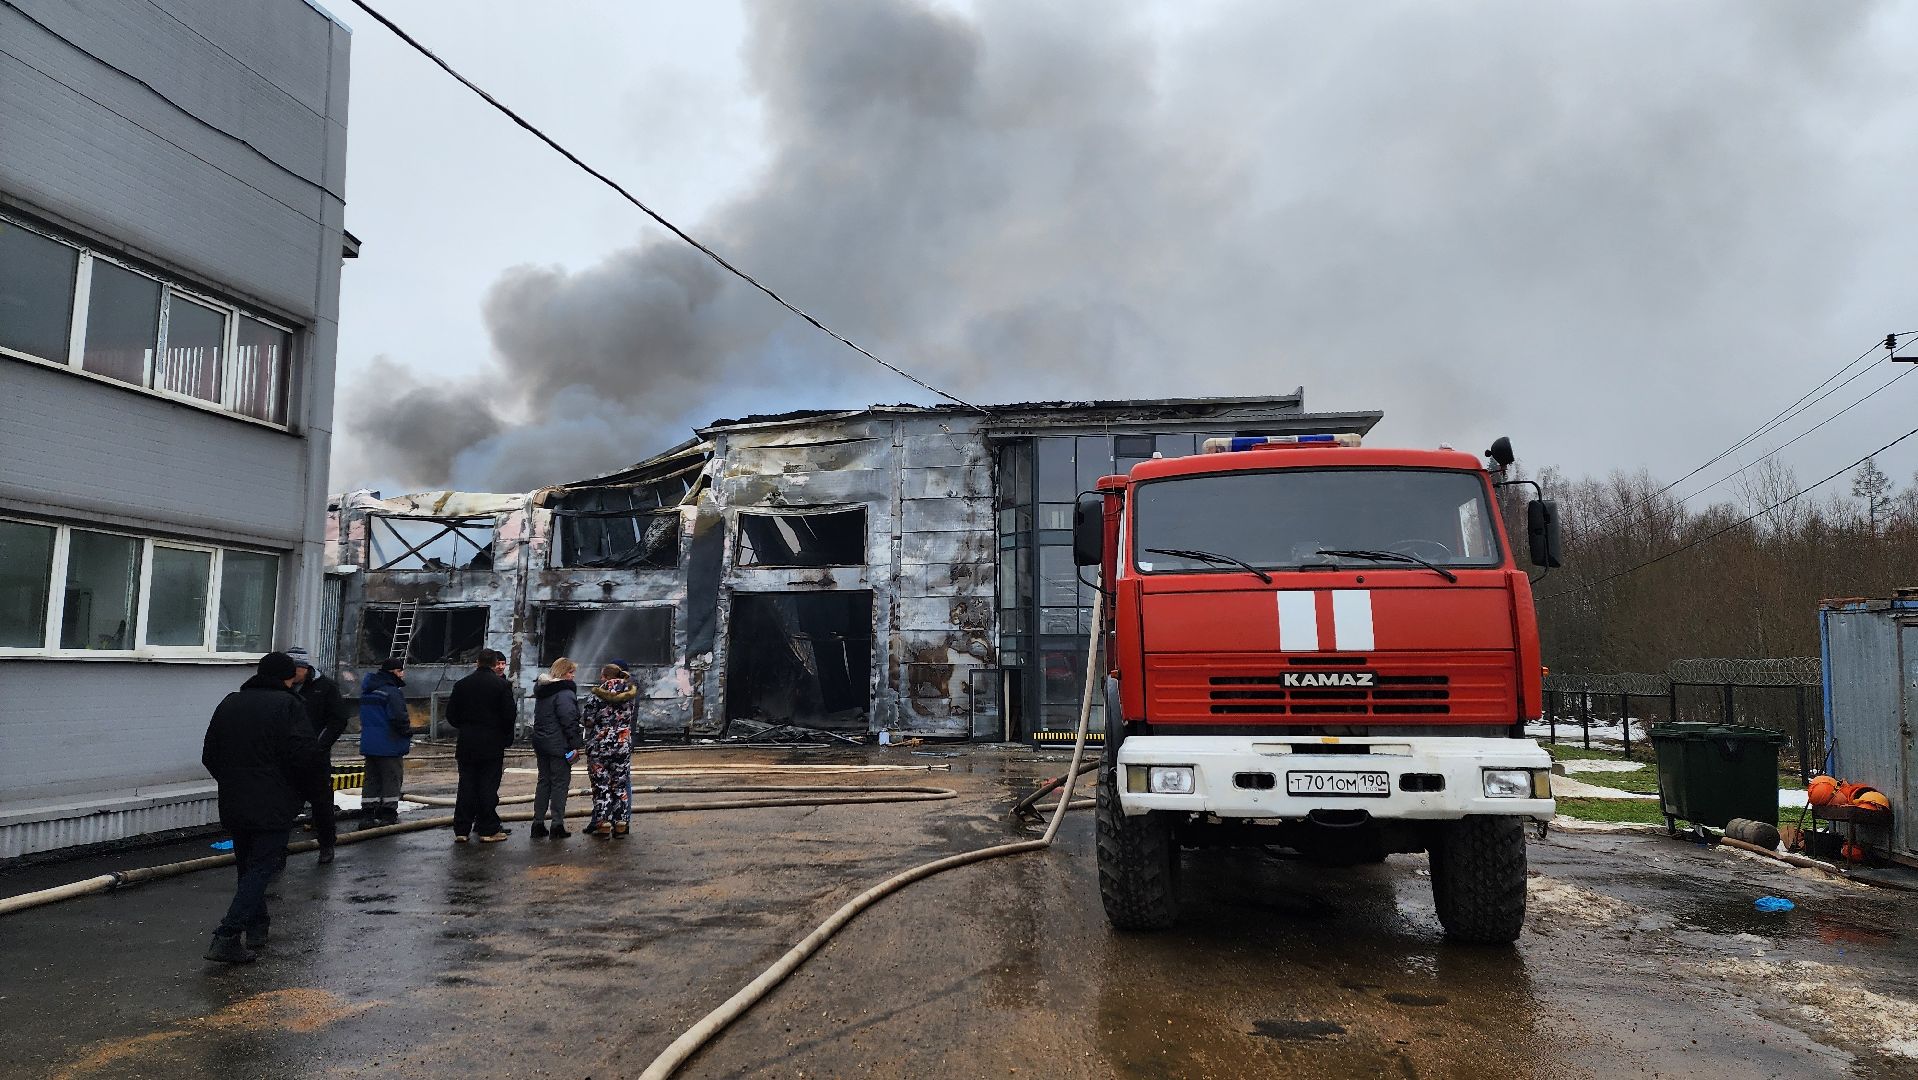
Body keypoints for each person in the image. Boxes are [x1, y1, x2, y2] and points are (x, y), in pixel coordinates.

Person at [200, 652, 322, 963]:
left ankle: (257, 926)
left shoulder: (230, 702)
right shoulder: (290, 706)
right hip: (274, 801)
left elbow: (210, 753)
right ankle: (227, 935)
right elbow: (304, 756)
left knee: (247, 867)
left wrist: (231, 780)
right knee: (262, 868)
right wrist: (303, 793)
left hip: (234, 798)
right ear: (287, 676)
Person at [445, 648, 517, 843]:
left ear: (477, 662)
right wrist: (501, 734)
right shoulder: (501, 686)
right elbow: (509, 715)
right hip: (492, 744)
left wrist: (467, 727)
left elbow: (451, 715)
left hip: (467, 743)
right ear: (495, 664)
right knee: (487, 786)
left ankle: (461, 829)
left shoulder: (462, 685)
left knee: (466, 786)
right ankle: (487, 828)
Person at [286, 646, 349, 863]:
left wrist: (319, 746)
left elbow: (338, 719)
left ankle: (327, 845)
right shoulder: (285, 688)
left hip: (315, 758)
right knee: (283, 805)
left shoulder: (325, 687)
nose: (293, 674)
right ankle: (277, 851)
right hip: (288, 757)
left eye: (296, 669)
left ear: (306, 668)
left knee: (322, 804)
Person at [578, 663, 637, 839]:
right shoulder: (630, 695)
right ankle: (620, 824)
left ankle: (603, 824)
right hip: (622, 745)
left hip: (599, 746)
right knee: (619, 785)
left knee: (601, 785)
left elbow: (587, 720)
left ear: (605, 676)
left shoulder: (596, 696)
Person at [529, 657, 583, 838]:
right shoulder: (565, 693)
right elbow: (569, 720)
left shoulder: (542, 691)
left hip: (541, 742)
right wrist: (575, 743)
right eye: (570, 672)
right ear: (562, 673)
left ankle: (537, 823)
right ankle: (557, 825)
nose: (573, 676)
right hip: (559, 744)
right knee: (560, 784)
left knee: (544, 782)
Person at [357, 658, 411, 825]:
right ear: (393, 672)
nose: (403, 674)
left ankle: (367, 814)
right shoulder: (391, 692)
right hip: (389, 743)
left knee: (371, 779)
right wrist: (407, 732)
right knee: (391, 778)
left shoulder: (368, 690)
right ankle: (388, 813)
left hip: (369, 743)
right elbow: (398, 717)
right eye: (400, 671)